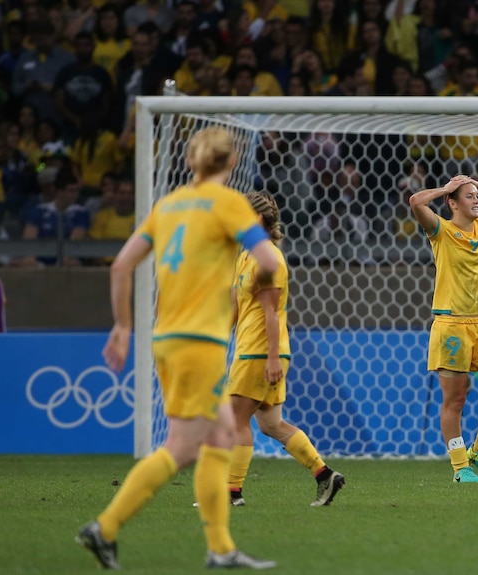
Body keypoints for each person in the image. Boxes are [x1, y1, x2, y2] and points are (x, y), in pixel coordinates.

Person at [77, 127, 280, 570]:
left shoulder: (166, 207)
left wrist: (123, 325)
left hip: (165, 338)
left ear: (191, 161)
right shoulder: (229, 204)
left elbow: (121, 266)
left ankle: (221, 548)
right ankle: (105, 527)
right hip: (200, 342)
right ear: (230, 163)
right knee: (183, 446)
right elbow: (267, 260)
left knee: (223, 433)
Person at [226, 191, 346, 507]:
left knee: (235, 421)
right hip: (254, 349)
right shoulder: (245, 255)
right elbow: (236, 306)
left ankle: (231, 493)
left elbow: (270, 312)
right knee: (270, 424)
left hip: (260, 351)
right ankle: (324, 475)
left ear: (259, 220)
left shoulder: (270, 260)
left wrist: (271, 358)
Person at [409, 174, 478, 483]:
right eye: (468, 196)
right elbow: (416, 202)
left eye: (477, 196)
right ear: (452, 203)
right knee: (455, 401)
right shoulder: (440, 231)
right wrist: (446, 188)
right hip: (452, 325)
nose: (476, 200)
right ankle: (460, 467)